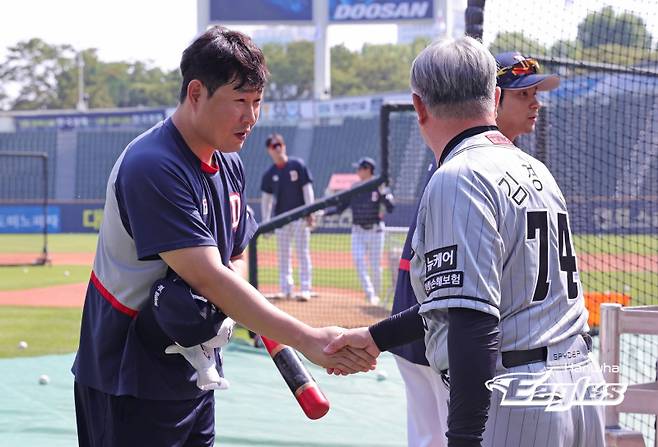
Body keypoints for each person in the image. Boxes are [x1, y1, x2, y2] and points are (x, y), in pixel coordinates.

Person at [71, 26, 375, 447]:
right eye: (239, 102)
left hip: (195, 372)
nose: (250, 118)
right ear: (196, 93)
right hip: (129, 377)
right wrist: (306, 338)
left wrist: (246, 308)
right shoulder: (153, 165)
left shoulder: (227, 162)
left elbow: (232, 257)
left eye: (257, 102)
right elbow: (208, 276)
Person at [326, 36, 605, 447]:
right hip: (582, 387)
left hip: (520, 399)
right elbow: (472, 298)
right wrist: (376, 337)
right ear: (494, 98)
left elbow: (473, 322)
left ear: (418, 107)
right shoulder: (535, 168)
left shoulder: (459, 177)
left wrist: (462, 439)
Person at [387, 51, 561, 447]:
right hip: (450, 338)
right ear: (493, 96)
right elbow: (462, 299)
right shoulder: (507, 171)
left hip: (506, 367)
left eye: (537, 91)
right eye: (524, 94)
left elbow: (477, 306)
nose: (536, 102)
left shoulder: (469, 168)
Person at [325, 157, 394, 305]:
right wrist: (324, 213)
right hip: (358, 231)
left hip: (375, 231)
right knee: (358, 261)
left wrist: (384, 192)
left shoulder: (378, 186)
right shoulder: (355, 187)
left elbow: (390, 207)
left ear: (367, 170)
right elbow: (340, 208)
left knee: (375, 266)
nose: (357, 171)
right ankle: (370, 293)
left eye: (359, 168)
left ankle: (376, 295)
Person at [260, 133, 315, 301]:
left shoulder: (297, 165)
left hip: (299, 217)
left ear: (284, 146)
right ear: (269, 150)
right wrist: (267, 222)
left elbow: (307, 189)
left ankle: (305, 288)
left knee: (302, 252)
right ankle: (285, 289)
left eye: (279, 145)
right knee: (283, 254)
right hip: (281, 219)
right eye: (273, 146)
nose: (277, 149)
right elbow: (266, 200)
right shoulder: (269, 173)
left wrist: (310, 211)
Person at [494, 51, 559, 142]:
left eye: (534, 93)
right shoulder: (475, 152)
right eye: (523, 93)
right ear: (494, 99)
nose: (537, 104)